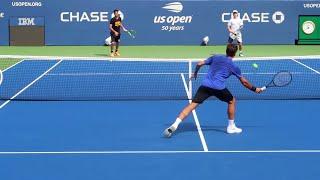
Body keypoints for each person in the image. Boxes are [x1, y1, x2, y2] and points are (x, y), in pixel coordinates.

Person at [163, 44, 262, 138]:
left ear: (226, 51)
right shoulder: (234, 66)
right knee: (232, 101)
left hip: (205, 86)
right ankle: (231, 126)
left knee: (192, 105)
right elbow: (244, 82)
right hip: (219, 88)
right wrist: (255, 89)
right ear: (235, 53)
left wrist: (195, 73)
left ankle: (175, 124)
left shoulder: (216, 57)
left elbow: (199, 63)